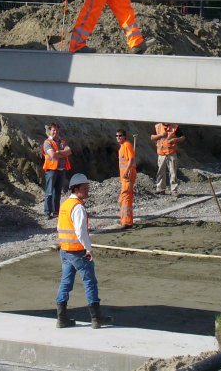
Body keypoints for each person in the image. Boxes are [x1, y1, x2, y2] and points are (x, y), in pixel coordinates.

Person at [55, 173, 112, 329]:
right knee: (90, 283)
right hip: (78, 252)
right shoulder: (78, 207)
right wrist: (88, 249)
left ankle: (62, 318)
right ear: (76, 189)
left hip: (65, 251)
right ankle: (96, 318)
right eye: (85, 189)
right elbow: (81, 232)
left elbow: (60, 227)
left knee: (65, 283)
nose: (88, 191)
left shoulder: (65, 205)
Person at [42, 125, 71, 218]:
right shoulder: (47, 142)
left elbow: (69, 151)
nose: (56, 132)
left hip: (61, 170)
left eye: (57, 130)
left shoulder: (62, 142)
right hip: (51, 170)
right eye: (54, 130)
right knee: (49, 192)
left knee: (58, 192)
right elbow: (52, 155)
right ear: (50, 131)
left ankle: (55, 212)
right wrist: (62, 153)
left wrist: (58, 152)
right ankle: (47, 213)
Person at [151, 122, 185, 196]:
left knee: (173, 172)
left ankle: (174, 190)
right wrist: (160, 135)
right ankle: (160, 189)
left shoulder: (175, 127)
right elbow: (152, 137)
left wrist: (175, 140)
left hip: (171, 152)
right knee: (160, 172)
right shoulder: (157, 126)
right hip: (161, 153)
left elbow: (183, 138)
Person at [115, 129, 136, 227]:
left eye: (120, 135)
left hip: (128, 176)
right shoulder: (122, 147)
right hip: (125, 177)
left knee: (125, 197)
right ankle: (126, 220)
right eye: (117, 136)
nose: (118, 137)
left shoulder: (127, 145)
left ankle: (126, 221)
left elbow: (131, 159)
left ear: (124, 136)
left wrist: (127, 171)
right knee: (125, 198)